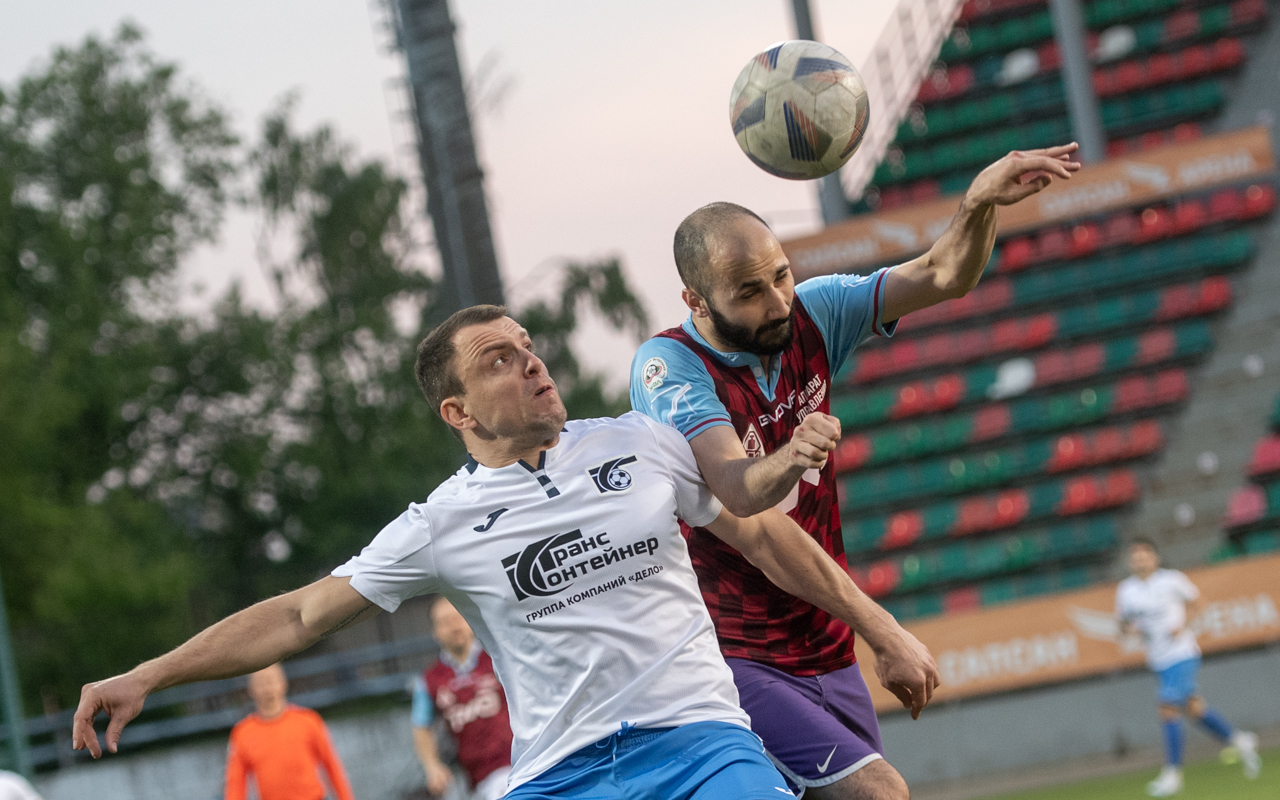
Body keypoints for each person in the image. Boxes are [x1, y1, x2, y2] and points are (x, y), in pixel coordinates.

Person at [73, 306, 901, 800]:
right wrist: (148, 674)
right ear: (458, 412)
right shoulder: (440, 522)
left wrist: (881, 629)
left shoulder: (644, 443)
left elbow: (763, 535)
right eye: (497, 361)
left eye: (526, 345)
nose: (530, 362)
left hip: (700, 744)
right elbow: (298, 616)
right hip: (559, 775)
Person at [630, 144, 1083, 798]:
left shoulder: (814, 313)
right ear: (695, 300)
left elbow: (943, 273)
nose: (777, 302)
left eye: (781, 276)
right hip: (733, 651)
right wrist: (793, 455)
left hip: (825, 641)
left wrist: (979, 203)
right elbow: (736, 491)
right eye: (749, 293)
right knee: (880, 792)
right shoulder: (669, 369)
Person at [1116, 538, 1261, 797]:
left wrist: (1183, 626)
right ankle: (1241, 741)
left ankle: (1173, 775)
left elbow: (1199, 602)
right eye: (1135, 557)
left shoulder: (1172, 580)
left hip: (1181, 653)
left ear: (1154, 558)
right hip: (1158, 659)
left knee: (1167, 707)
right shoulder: (1126, 591)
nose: (1139, 560)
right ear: (1130, 562)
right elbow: (1123, 623)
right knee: (1194, 709)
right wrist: (1130, 629)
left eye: (1144, 555)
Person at [411, 597, 512, 800]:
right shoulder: (429, 680)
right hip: (478, 780)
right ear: (435, 632)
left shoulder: (499, 657)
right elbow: (420, 727)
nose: (454, 626)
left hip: (518, 764)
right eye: (445, 622)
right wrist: (432, 766)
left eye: (458, 618)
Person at [224, 663, 355, 800]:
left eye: (271, 681)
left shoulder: (308, 721)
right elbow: (236, 784)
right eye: (261, 683)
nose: (267, 688)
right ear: (251, 689)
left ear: (283, 683)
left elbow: (332, 766)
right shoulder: (242, 732)